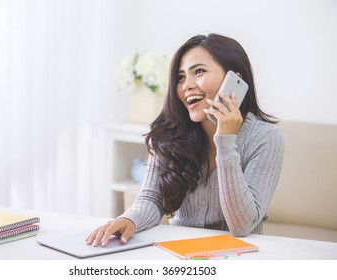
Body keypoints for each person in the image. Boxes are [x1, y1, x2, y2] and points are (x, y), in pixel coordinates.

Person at [86, 33, 284, 247]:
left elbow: (242, 226)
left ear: (235, 80)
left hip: (238, 254)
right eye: (181, 77)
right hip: (180, 249)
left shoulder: (266, 138)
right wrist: (128, 220)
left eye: (198, 72)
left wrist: (226, 141)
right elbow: (152, 199)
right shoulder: (170, 132)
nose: (186, 85)